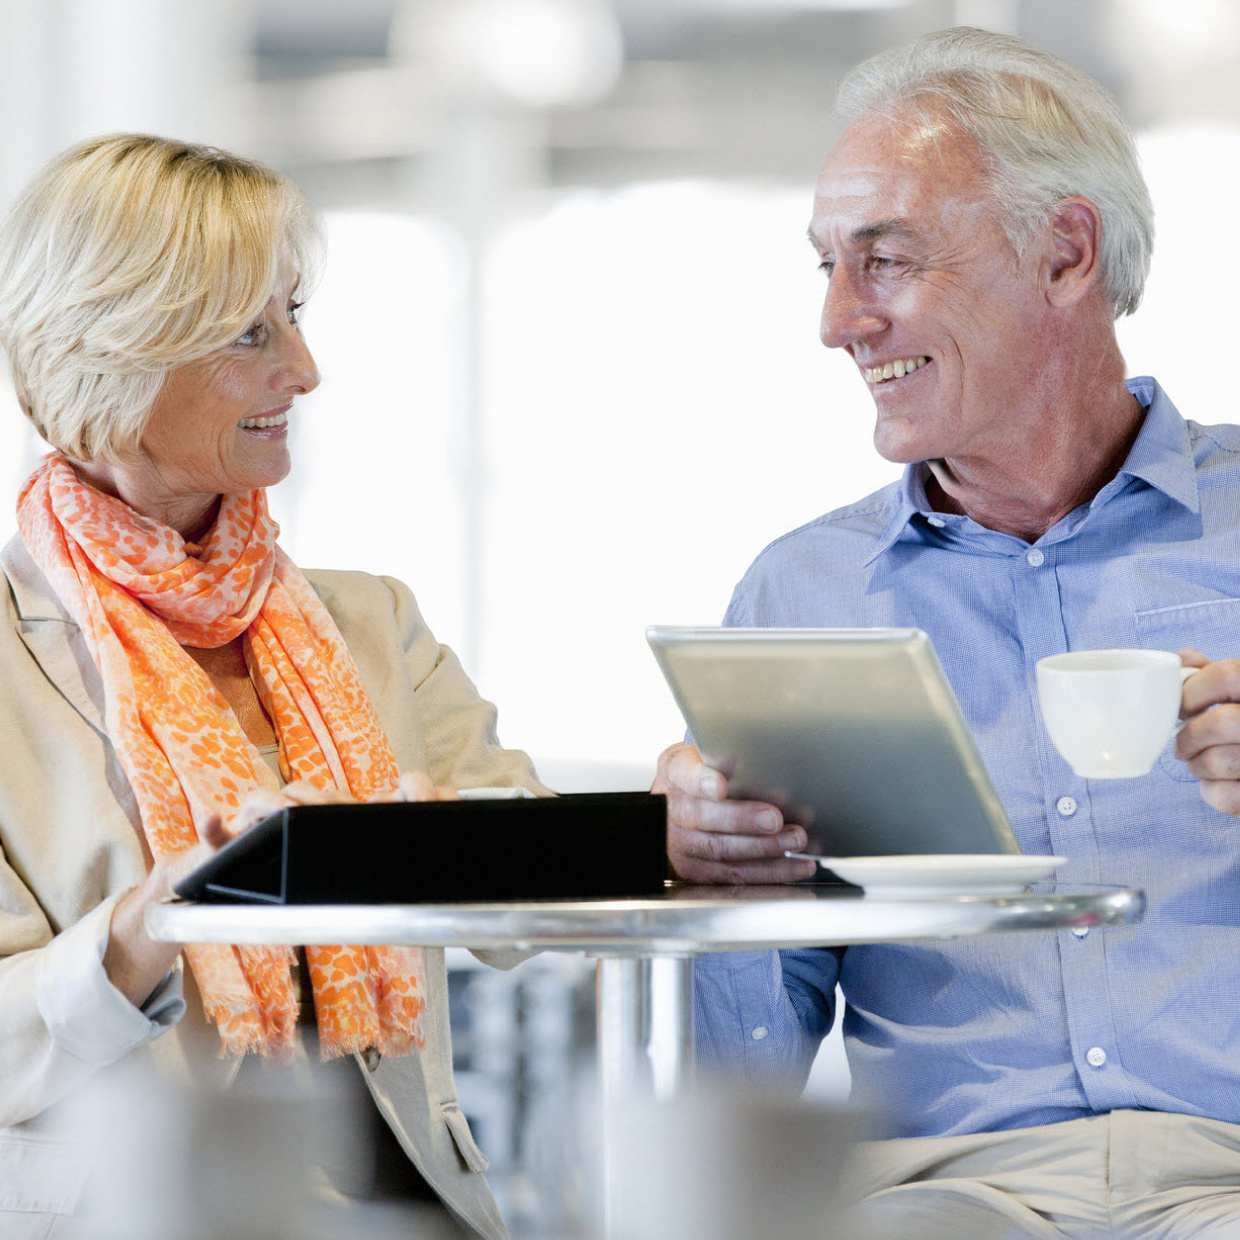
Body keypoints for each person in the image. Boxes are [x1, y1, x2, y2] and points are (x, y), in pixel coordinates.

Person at [653, 27, 1240, 1238]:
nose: (837, 320)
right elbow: (742, 1078)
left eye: (885, 260)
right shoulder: (806, 594)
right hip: (946, 1193)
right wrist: (704, 874)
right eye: (827, 265)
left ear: (1064, 253)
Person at [0, 134, 547, 1239]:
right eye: (250, 332)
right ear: (116, 347)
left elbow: (530, 894)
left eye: (292, 316)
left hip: (400, 1207)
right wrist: (155, 920)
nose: (303, 369)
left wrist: (668, 821)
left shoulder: (370, 622)